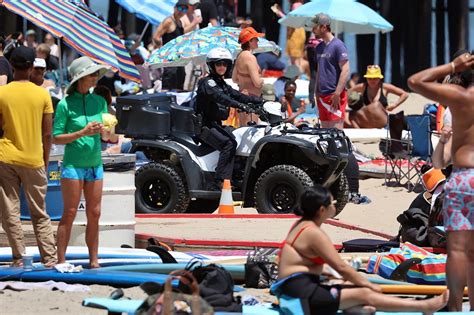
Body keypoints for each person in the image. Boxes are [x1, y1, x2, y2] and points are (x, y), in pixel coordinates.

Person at [274, 185, 449, 315]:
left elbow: (315, 266)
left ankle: (356, 309)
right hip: (301, 294)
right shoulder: (313, 233)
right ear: (322, 210)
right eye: (333, 202)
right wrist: (368, 285)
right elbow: (341, 268)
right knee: (366, 293)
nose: (335, 205)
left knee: (361, 301)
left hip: (295, 287)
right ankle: (422, 307)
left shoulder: (302, 226)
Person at [408, 51, 474, 312]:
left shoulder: (460, 98)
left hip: (463, 176)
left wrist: (451, 65)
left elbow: (415, 81)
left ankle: (456, 308)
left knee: (458, 250)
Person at [0, 46, 57, 267]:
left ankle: (19, 257)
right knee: (40, 213)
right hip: (34, 158)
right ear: (32, 67)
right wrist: (44, 159)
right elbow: (47, 133)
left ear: (11, 66)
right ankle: (49, 259)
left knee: (10, 212)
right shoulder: (42, 94)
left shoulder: (2, 93)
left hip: (6, 156)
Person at [52, 56, 110, 268]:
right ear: (80, 79)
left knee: (94, 213)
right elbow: (56, 137)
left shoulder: (100, 102)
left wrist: (107, 131)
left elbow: (108, 137)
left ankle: (94, 260)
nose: (95, 77)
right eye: (91, 74)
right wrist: (82, 132)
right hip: (73, 165)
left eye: (96, 74)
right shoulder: (65, 105)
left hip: (95, 164)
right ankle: (61, 260)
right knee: (69, 212)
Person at [196, 47, 262, 190]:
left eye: (225, 64)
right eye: (218, 64)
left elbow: (237, 95)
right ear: (212, 65)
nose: (222, 67)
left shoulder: (221, 83)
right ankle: (220, 181)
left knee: (238, 136)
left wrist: (260, 102)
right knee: (228, 143)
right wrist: (241, 106)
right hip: (203, 126)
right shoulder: (207, 83)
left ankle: (238, 174)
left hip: (215, 124)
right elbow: (221, 98)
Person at [232, 27, 264, 126]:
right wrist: (263, 81)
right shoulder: (250, 58)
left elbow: (234, 79)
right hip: (251, 99)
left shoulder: (240, 56)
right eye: (256, 39)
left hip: (242, 96)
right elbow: (257, 83)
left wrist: (245, 83)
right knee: (250, 131)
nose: (258, 41)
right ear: (250, 41)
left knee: (243, 129)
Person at [153, 0, 188, 91]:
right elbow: (156, 37)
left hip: (179, 57)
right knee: (170, 78)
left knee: (181, 77)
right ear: (175, 8)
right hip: (170, 57)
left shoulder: (180, 22)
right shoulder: (168, 21)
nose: (181, 11)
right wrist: (163, 49)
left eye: (184, 10)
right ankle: (165, 97)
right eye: (180, 8)